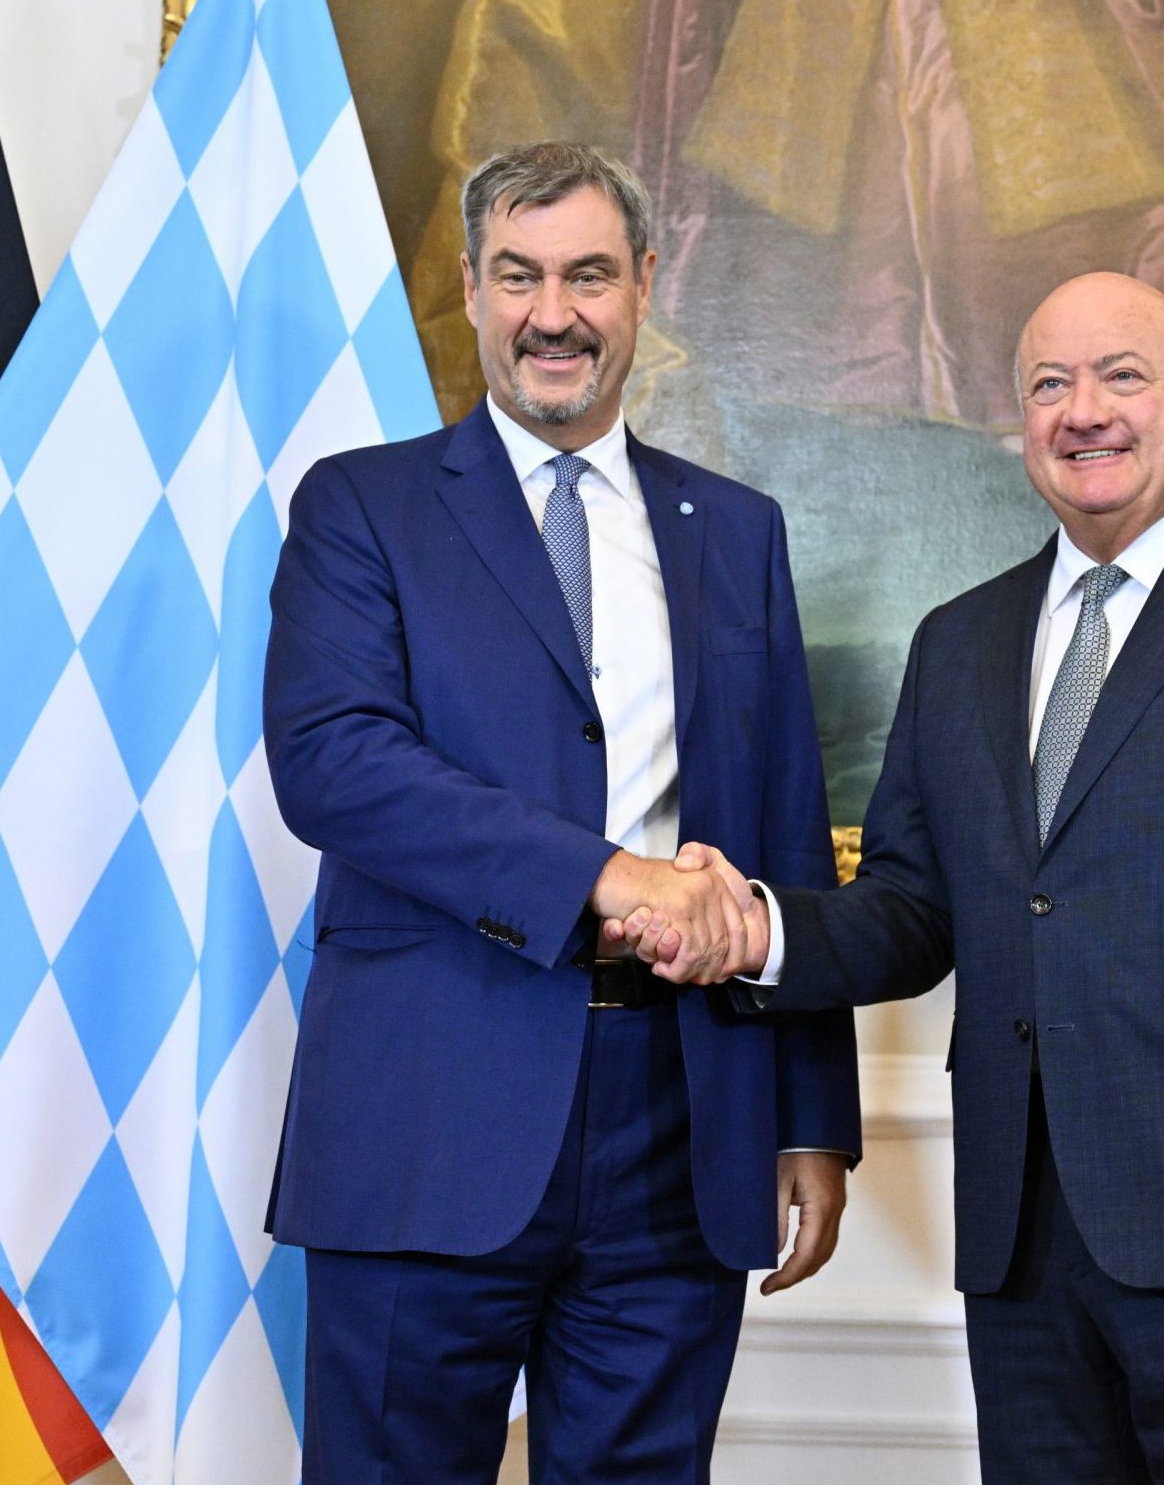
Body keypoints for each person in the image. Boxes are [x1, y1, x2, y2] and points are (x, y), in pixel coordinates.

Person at [624, 272, 1164, 1482]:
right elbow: (911, 910)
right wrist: (755, 930)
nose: (1084, 410)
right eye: (1049, 384)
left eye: (1121, 376)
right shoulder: (959, 639)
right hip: (1022, 1243)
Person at [260, 141, 860, 1484]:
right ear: (471, 289)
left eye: (587, 275)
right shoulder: (362, 507)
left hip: (682, 1122)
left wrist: (810, 1115)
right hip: (426, 1110)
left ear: (643, 284)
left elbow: (784, 826)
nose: (552, 314)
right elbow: (334, 763)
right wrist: (609, 878)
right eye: (518, 276)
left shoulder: (738, 529)